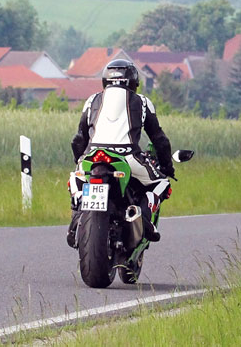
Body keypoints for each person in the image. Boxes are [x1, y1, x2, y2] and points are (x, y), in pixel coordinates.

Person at [66, 58, 175, 248]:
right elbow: (159, 139)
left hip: (93, 155)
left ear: (105, 80)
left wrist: (79, 160)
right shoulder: (142, 102)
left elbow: (78, 139)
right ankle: (145, 220)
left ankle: (76, 218)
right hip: (128, 156)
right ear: (133, 82)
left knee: (77, 177)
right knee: (161, 183)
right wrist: (167, 166)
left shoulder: (92, 100)